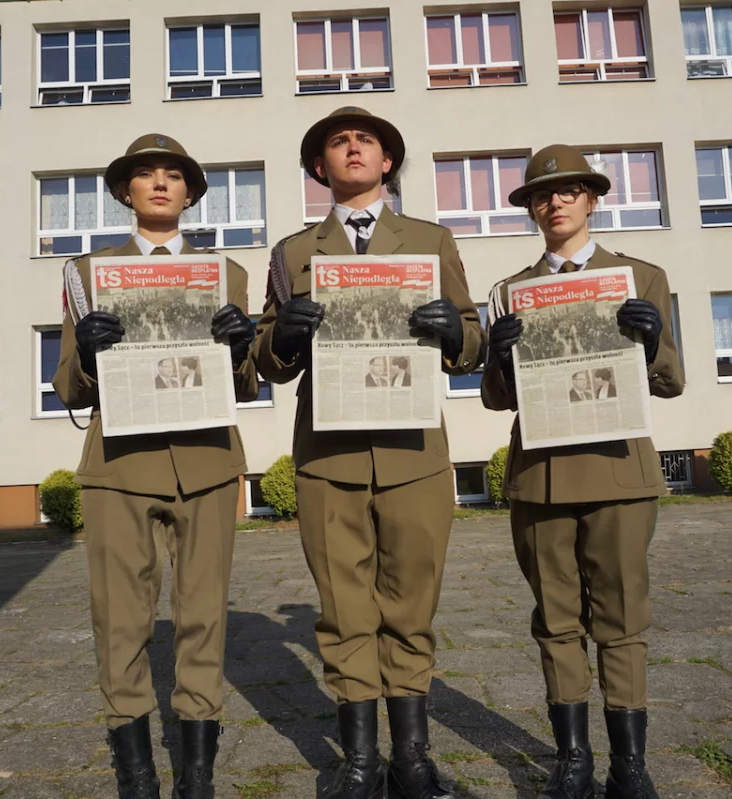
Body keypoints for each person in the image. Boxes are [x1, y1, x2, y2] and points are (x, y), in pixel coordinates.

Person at [252, 106, 484, 799]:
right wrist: (284, 336)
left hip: (413, 448)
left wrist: (453, 333)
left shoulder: (430, 239)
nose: (353, 148)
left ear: (387, 163)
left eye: (367, 141)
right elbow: (268, 359)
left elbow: (472, 340)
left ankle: (410, 758)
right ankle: (357, 760)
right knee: (344, 605)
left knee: (411, 602)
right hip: (328, 453)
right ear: (320, 167)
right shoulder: (293, 251)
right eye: (338, 142)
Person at [52, 133, 259, 799]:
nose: (162, 184)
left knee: (203, 614)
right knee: (121, 615)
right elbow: (69, 390)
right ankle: (137, 773)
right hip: (120, 460)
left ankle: (196, 773)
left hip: (204, 459)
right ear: (125, 192)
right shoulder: (86, 272)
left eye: (175, 175)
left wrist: (238, 349)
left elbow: (248, 383)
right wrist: (86, 351)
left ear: (192, 192)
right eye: (147, 175)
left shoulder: (227, 274)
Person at [480, 144, 684, 799]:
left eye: (569, 190)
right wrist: (501, 358)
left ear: (592, 199)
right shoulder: (509, 291)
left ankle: (630, 765)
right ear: (533, 208)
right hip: (541, 474)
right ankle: (573, 760)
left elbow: (672, 378)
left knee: (622, 619)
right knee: (556, 618)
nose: (555, 201)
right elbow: (495, 397)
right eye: (542, 194)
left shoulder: (641, 277)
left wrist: (651, 340)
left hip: (619, 471)